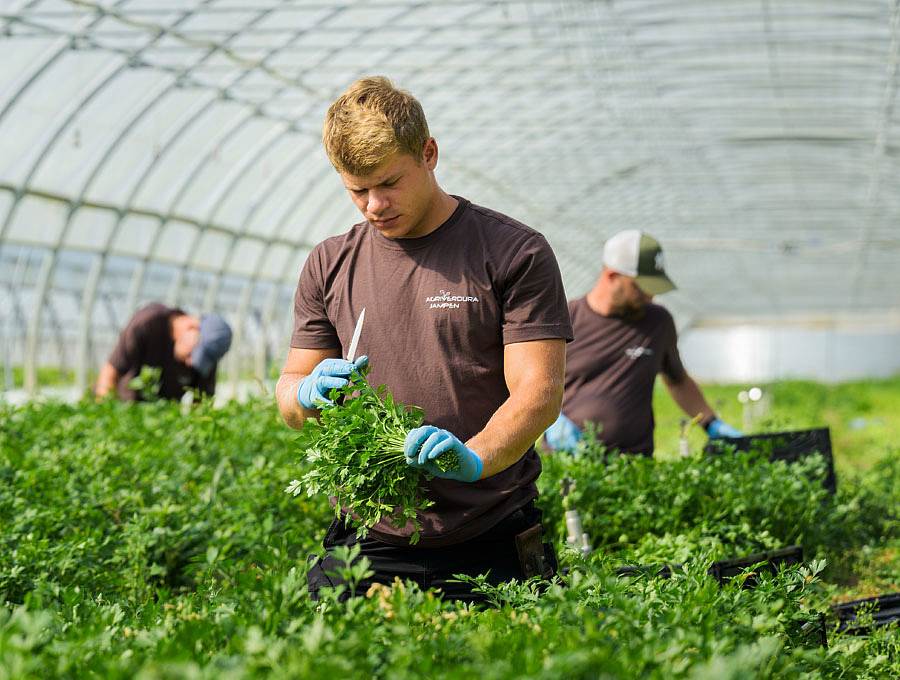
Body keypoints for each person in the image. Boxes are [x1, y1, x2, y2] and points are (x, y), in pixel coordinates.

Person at [276, 76, 573, 602]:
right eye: (356, 189)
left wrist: (475, 458)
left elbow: (538, 392)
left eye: (388, 183)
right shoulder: (329, 263)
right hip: (368, 536)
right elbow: (290, 394)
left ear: (429, 153)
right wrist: (304, 394)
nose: (373, 205)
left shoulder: (512, 252)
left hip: (489, 532)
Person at [544, 230, 742, 455]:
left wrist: (710, 423)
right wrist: (551, 422)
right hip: (569, 461)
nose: (650, 297)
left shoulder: (658, 322)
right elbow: (526, 380)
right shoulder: (565, 320)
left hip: (635, 465)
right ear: (611, 276)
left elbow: (677, 381)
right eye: (640, 288)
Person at [94, 303, 232, 402]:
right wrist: (107, 414)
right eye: (193, 354)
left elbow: (201, 402)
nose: (191, 362)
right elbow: (109, 373)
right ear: (192, 327)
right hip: (125, 414)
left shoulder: (209, 351)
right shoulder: (148, 324)